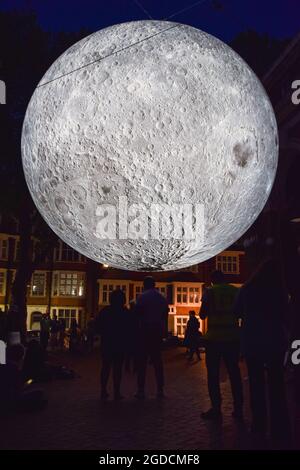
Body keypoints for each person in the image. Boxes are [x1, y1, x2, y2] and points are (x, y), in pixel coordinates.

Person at [234, 258, 291, 445]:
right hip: (275, 340)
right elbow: (286, 315)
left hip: (253, 341)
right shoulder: (279, 291)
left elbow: (237, 312)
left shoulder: (247, 289)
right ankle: (279, 427)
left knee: (256, 384)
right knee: (277, 385)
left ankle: (258, 425)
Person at [200, 270, 243, 421]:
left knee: (213, 374)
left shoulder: (209, 292)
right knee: (234, 373)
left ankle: (216, 408)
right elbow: (241, 313)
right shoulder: (235, 291)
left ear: (212, 280)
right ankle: (239, 408)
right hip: (232, 338)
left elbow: (202, 314)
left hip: (214, 339)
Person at [135, 276, 169, 399]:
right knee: (157, 362)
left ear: (144, 285)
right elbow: (165, 314)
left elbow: (138, 314)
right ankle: (160, 389)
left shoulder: (142, 297)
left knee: (142, 362)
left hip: (145, 330)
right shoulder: (161, 298)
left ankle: (141, 390)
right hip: (157, 331)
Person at [96, 289, 128, 400]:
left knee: (105, 367)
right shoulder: (125, 312)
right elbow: (129, 329)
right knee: (117, 369)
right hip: (120, 343)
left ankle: (103, 390)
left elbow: (97, 327)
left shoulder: (105, 311)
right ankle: (117, 392)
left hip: (107, 343)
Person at [0, 343, 47, 414]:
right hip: (10, 399)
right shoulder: (14, 368)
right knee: (39, 392)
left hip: (5, 397)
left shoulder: (4, 365)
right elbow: (18, 388)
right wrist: (27, 383)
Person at [125, 300, 139, 373]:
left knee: (128, 354)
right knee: (135, 354)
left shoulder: (127, 313)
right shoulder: (137, 314)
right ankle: (135, 368)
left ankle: (127, 367)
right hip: (135, 336)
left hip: (128, 336)